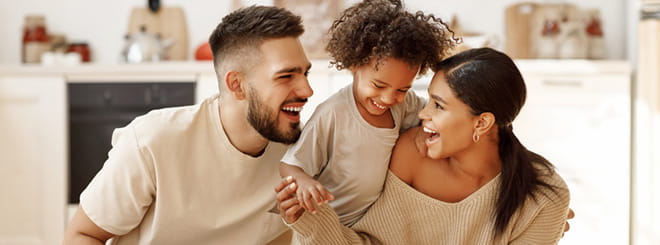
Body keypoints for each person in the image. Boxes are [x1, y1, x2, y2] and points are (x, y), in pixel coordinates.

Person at [63, 6, 313, 244]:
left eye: (305, 73)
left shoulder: (302, 154)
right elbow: (82, 235)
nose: (307, 90)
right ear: (236, 85)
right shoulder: (153, 141)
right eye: (285, 76)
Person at [276, 48, 571, 244]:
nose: (422, 113)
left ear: (481, 123)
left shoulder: (545, 196)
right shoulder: (411, 153)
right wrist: (312, 221)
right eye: (428, 99)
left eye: (439, 106)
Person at [278, 0, 455, 227]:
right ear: (353, 64)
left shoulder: (403, 104)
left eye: (402, 89)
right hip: (330, 223)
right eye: (378, 86)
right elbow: (290, 164)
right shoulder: (333, 114)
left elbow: (432, 116)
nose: (389, 98)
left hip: (373, 222)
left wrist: (427, 129)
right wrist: (302, 182)